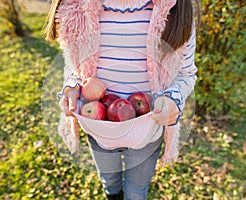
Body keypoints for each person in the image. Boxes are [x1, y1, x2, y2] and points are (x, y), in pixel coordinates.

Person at [43, 0, 200, 199]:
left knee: (136, 190)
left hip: (147, 133)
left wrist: (172, 97)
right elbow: (75, 67)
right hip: (100, 130)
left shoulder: (174, 8)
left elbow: (186, 74)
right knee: (109, 182)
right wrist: (72, 86)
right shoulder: (76, 7)